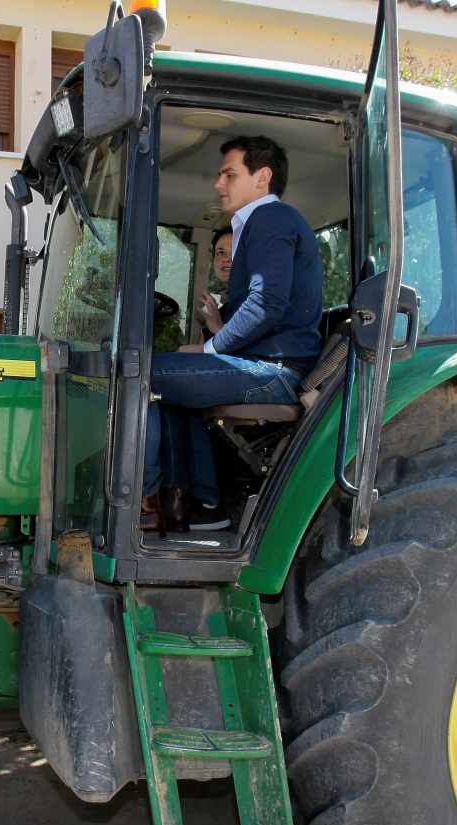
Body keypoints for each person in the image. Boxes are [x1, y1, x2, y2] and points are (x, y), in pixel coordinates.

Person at [143, 135, 324, 532]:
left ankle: (139, 500)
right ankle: (201, 504)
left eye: (229, 174)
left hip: (274, 372)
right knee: (173, 395)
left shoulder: (270, 218)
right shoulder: (263, 223)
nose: (218, 184)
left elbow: (265, 304)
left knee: (134, 371)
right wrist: (211, 339)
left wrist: (209, 348)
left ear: (262, 177)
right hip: (266, 365)